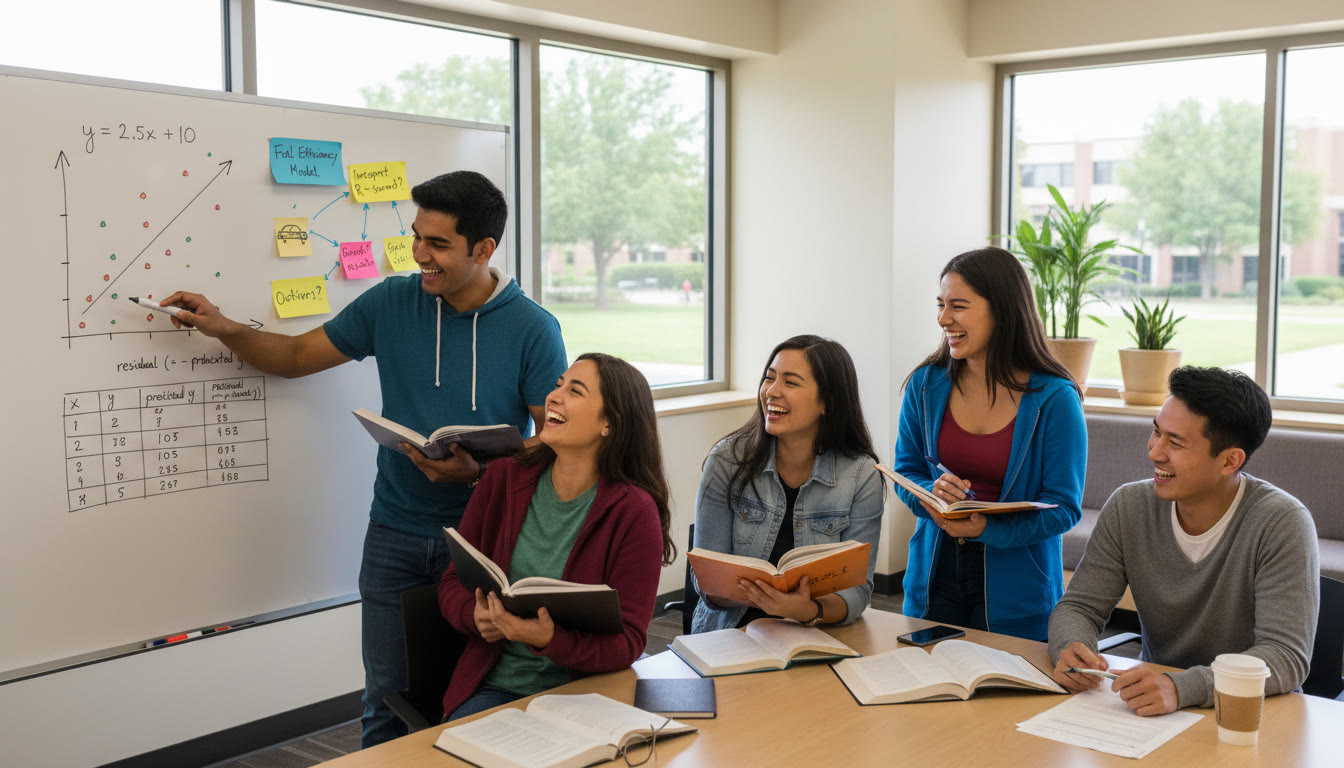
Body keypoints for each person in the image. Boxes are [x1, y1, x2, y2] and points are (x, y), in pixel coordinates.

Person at [160, 171, 567, 747]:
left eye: (438, 245)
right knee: (386, 698)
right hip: (395, 532)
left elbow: (552, 438)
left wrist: (477, 472)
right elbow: (299, 354)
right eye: (416, 237)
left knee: (480, 698)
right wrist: (222, 326)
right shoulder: (392, 301)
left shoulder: (533, 329)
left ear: (484, 250)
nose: (419, 255)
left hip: (485, 540)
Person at [1048, 366, 1319, 716]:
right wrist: (1072, 648)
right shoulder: (1129, 506)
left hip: (1251, 714)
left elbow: (1284, 656)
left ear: (1229, 460)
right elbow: (1078, 608)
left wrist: (1183, 687)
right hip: (1154, 710)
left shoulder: (1281, 522)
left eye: (1175, 442)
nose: (1155, 452)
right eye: (1156, 433)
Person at [438, 353, 675, 720]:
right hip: (499, 687)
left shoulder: (635, 512)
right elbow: (452, 581)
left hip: (588, 691)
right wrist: (474, 614)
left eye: (575, 390)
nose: (554, 396)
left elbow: (628, 641)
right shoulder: (501, 478)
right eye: (558, 384)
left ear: (608, 423)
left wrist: (548, 639)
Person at [893, 246, 1085, 641]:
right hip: (933, 578)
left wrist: (986, 530)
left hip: (1019, 591)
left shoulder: (1055, 398)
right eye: (941, 305)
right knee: (928, 688)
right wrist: (932, 493)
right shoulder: (925, 385)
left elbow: (1064, 509)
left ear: (1002, 309)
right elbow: (905, 473)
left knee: (1007, 699)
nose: (944, 319)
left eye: (958, 306)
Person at [691, 334, 883, 633]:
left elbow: (855, 594)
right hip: (729, 635)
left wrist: (807, 609)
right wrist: (754, 594)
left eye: (791, 383)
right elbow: (705, 583)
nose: (771, 391)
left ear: (827, 403)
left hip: (815, 635)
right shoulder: (726, 461)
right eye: (769, 378)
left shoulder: (861, 476)